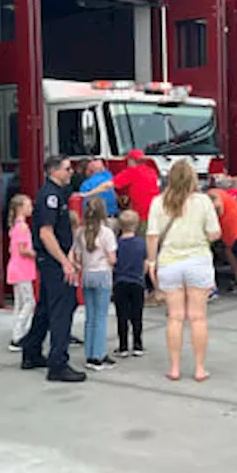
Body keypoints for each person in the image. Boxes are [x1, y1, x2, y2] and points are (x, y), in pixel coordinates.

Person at [147, 161, 221, 382]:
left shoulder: (158, 202)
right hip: (198, 260)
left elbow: (152, 235)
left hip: (170, 261)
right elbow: (215, 233)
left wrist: (152, 262)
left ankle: (175, 368)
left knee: (175, 318)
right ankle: (199, 369)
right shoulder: (203, 201)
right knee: (198, 318)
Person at [18, 155, 86, 383]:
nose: (71, 172)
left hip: (54, 258)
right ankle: (58, 363)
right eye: (67, 169)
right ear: (53, 170)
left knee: (45, 308)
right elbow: (46, 233)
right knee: (61, 310)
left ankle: (32, 351)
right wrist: (64, 262)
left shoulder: (59, 194)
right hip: (53, 262)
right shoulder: (50, 197)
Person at [74, 199, 117, 371]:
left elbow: (77, 257)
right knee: (101, 317)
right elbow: (112, 258)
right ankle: (98, 355)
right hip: (102, 274)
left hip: (87, 274)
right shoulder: (106, 233)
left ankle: (90, 354)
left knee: (90, 317)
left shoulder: (80, 232)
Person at [112, 210, 148, 358]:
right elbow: (146, 263)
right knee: (137, 314)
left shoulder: (116, 244)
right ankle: (138, 344)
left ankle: (123, 346)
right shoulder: (142, 243)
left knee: (122, 315)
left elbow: (113, 262)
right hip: (137, 281)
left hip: (120, 281)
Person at [5, 194, 37, 351]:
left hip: (16, 268)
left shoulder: (15, 226)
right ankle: (18, 336)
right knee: (29, 302)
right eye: (28, 205)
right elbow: (23, 250)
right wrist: (38, 254)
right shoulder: (23, 227)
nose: (31, 208)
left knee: (20, 303)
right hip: (23, 269)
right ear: (20, 208)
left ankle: (18, 333)